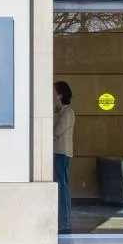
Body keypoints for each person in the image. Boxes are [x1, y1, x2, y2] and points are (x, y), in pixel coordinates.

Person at [53, 81, 75, 235]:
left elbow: (55, 132)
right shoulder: (57, 112)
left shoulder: (67, 112)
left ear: (60, 95)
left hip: (62, 153)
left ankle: (65, 221)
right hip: (56, 152)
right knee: (60, 186)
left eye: (53, 92)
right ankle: (61, 220)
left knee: (62, 187)